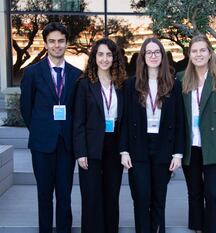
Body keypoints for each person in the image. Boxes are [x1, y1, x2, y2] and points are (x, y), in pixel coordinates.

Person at [20, 22, 82, 233]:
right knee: (44, 194)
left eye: (61, 41)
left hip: (66, 144)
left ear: (67, 43)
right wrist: (40, 130)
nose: (57, 45)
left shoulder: (77, 75)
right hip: (41, 144)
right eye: (52, 41)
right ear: (45, 44)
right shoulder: (32, 73)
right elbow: (26, 108)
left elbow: (78, 111)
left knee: (64, 194)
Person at [119, 37, 185, 233]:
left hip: (164, 146)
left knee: (158, 198)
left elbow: (180, 121)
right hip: (138, 146)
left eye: (157, 52)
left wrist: (178, 153)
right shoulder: (131, 85)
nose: (153, 56)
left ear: (163, 57)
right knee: (140, 197)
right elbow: (123, 120)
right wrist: (123, 150)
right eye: (149, 52)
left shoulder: (174, 85)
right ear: (143, 57)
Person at [177, 34, 216, 233]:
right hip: (189, 145)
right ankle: (197, 227)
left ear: (210, 53)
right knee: (194, 192)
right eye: (194, 51)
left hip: (213, 145)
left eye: (203, 50)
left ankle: (212, 229)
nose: (198, 54)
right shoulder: (181, 79)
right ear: (189, 54)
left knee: (212, 193)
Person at [73, 38, 127, 233]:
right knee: (91, 196)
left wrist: (124, 150)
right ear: (94, 57)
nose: (105, 59)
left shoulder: (121, 85)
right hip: (91, 146)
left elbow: (125, 120)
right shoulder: (84, 85)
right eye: (101, 54)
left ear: (114, 58)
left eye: (109, 55)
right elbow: (78, 121)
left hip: (114, 145)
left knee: (112, 195)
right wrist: (80, 152)